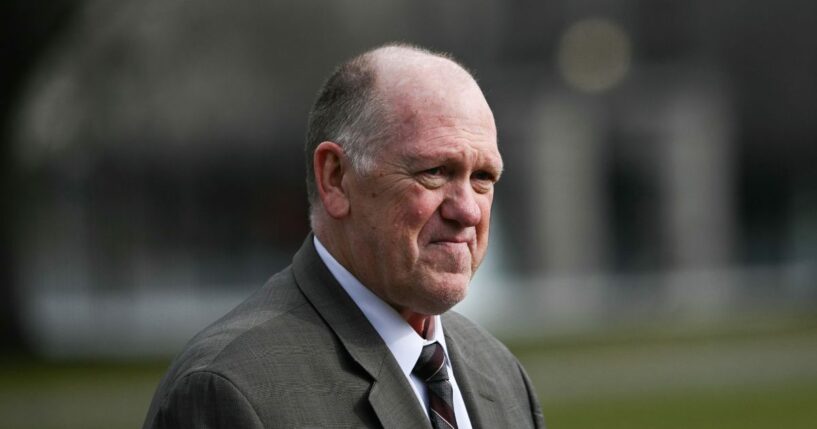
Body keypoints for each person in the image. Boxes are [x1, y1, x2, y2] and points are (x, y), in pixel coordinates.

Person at [143, 43, 544, 429]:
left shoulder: (501, 375)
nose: (469, 210)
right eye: (434, 171)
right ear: (335, 179)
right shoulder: (231, 391)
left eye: (483, 178)